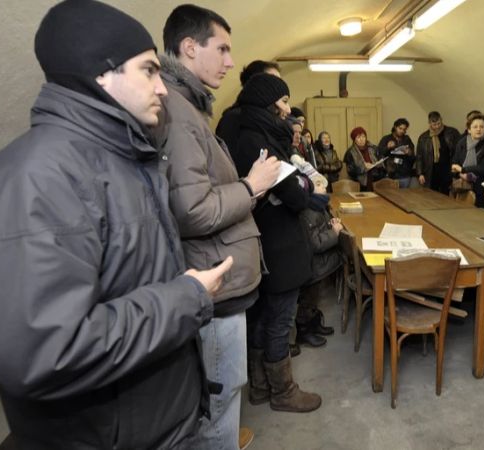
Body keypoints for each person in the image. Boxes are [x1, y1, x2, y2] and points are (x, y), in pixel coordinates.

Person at [0, 1, 235, 448]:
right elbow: (43, 353)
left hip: (161, 423)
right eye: (148, 70)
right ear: (101, 74)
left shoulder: (125, 161)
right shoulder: (33, 180)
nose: (162, 88)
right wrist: (188, 297)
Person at [158, 5, 283, 448]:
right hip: (213, 285)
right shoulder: (177, 113)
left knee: (225, 394)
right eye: (223, 48)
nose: (231, 61)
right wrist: (251, 185)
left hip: (221, 280)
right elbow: (191, 211)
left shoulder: (190, 107)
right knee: (219, 397)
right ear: (190, 48)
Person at [231, 73, 322, 413]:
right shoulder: (261, 140)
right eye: (283, 102)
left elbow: (295, 187)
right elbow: (297, 196)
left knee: (265, 317)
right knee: (280, 321)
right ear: (269, 104)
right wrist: (303, 186)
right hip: (280, 244)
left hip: (267, 242)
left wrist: (299, 185)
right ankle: (283, 391)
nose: (288, 110)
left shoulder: (247, 133)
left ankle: (258, 387)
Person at [294, 176, 342, 347]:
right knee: (308, 300)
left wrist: (330, 224)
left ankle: (314, 325)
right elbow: (315, 243)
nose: (324, 186)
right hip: (313, 265)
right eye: (319, 184)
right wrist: (334, 233)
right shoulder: (308, 212)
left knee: (315, 297)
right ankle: (305, 331)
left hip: (320, 265)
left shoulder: (318, 205)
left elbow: (320, 229)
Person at [216, 60, 281, 151]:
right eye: (273, 81)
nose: (279, 87)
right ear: (254, 84)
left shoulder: (270, 118)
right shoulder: (234, 118)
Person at [451, 113, 484, 209]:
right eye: (475, 127)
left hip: (481, 189)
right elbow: (454, 164)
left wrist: (463, 169)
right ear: (469, 129)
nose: (478, 129)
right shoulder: (462, 142)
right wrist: (461, 174)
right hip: (462, 189)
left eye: (482, 126)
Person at [416, 111, 462, 194]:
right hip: (431, 171)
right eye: (434, 124)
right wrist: (420, 173)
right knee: (432, 195)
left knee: (447, 194)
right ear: (429, 123)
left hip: (448, 170)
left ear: (441, 120)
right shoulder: (424, 137)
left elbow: (459, 151)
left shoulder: (452, 132)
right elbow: (419, 157)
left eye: (439, 123)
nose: (437, 126)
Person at [378, 118, 417, 187]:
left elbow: (413, 157)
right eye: (400, 128)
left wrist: (409, 152)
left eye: (404, 129)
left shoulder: (407, 139)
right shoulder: (386, 139)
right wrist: (387, 147)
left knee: (404, 196)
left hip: (404, 175)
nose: (402, 131)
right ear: (395, 127)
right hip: (389, 174)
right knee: (390, 196)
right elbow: (379, 153)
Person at [344, 126, 386, 190]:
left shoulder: (373, 148)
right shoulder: (350, 152)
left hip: (376, 181)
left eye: (363, 136)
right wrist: (363, 168)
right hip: (360, 184)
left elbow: (381, 160)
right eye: (358, 137)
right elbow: (350, 171)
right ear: (354, 139)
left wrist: (377, 165)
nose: (362, 139)